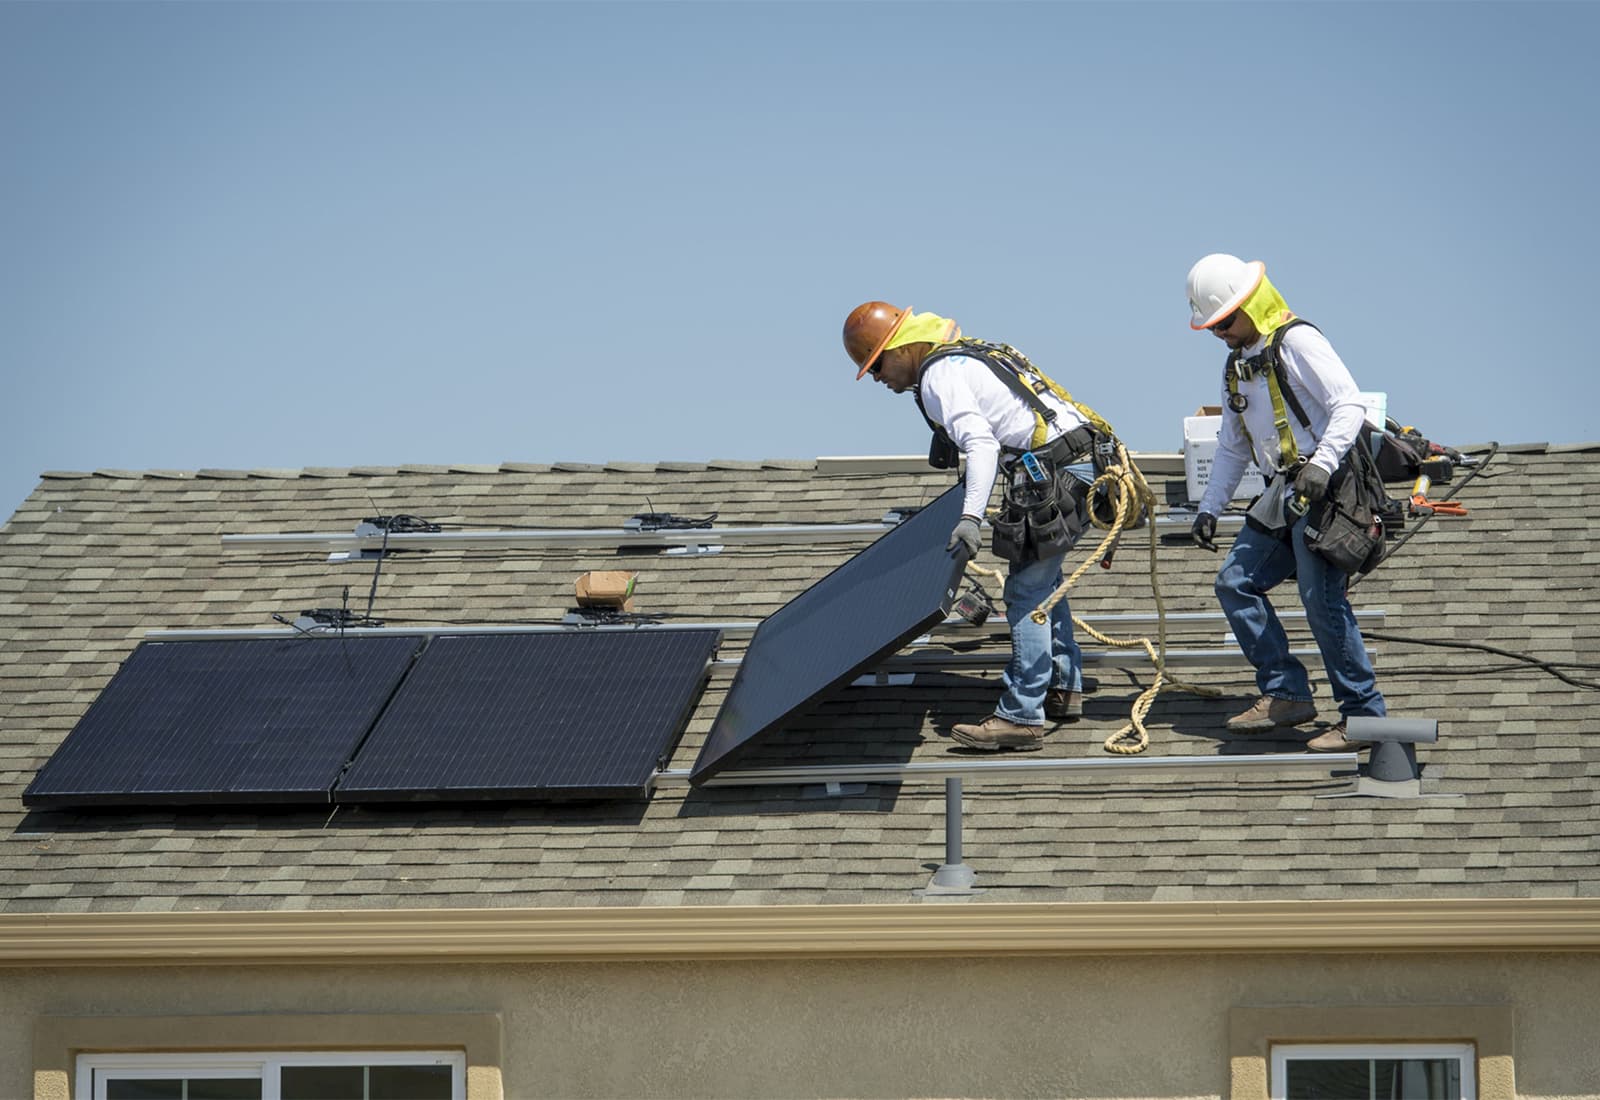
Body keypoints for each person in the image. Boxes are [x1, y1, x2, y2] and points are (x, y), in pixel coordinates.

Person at [843, 300, 1116, 751]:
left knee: (1024, 590)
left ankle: (1022, 717)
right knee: (1041, 579)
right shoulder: (967, 356)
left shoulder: (937, 376)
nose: (878, 378)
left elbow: (982, 444)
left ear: (904, 347)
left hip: (1061, 471)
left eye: (877, 365)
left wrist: (971, 517)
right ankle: (1065, 686)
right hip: (1086, 464)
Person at [1183, 254, 1385, 753]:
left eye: (1224, 321)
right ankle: (1287, 692)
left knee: (1323, 603)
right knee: (1235, 582)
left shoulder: (1297, 341)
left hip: (1328, 486)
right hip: (1284, 490)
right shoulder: (1237, 366)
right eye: (1211, 326)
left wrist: (1321, 466)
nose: (1219, 333)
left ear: (1252, 304)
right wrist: (1209, 506)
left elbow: (1349, 404)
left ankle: (1364, 718)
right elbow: (1232, 445)